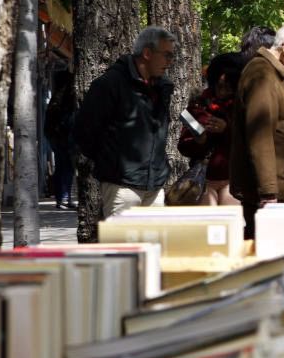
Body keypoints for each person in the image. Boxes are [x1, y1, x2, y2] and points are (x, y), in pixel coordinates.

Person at [74, 26, 176, 218]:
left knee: (155, 248)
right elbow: (84, 132)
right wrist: (114, 163)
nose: (170, 62)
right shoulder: (110, 84)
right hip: (121, 187)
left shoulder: (162, 87)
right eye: (167, 55)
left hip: (154, 186)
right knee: (123, 248)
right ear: (147, 53)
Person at [230, 18, 284, 239]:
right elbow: (260, 136)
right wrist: (268, 192)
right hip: (270, 195)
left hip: (281, 189)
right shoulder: (262, 73)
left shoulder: (280, 76)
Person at [177, 52, 245, 206]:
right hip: (203, 180)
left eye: (228, 87)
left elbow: (250, 142)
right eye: (219, 86)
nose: (222, 92)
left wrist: (227, 129)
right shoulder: (198, 104)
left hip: (233, 180)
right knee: (208, 227)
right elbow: (183, 146)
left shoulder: (242, 106)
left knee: (233, 226)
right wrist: (200, 141)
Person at [45, 71, 77, 210]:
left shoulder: (54, 101)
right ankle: (64, 197)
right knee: (67, 168)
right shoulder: (67, 99)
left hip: (56, 138)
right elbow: (68, 120)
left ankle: (63, 198)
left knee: (61, 168)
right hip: (64, 138)